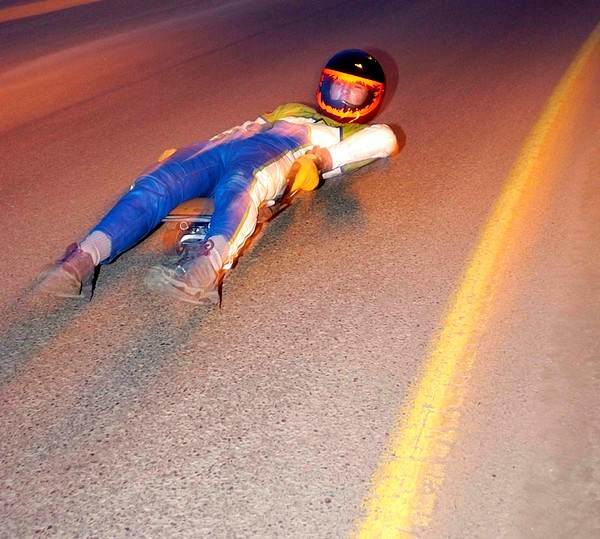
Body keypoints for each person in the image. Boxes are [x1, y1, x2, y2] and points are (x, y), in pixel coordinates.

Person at [38, 49, 399, 305]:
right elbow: (246, 128)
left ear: (372, 98)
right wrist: (197, 151)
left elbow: (385, 140)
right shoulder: (292, 108)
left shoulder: (355, 134)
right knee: (157, 181)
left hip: (277, 155)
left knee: (242, 184)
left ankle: (204, 270)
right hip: (231, 146)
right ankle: (82, 260)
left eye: (356, 89)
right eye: (339, 85)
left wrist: (321, 161)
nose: (344, 95)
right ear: (325, 85)